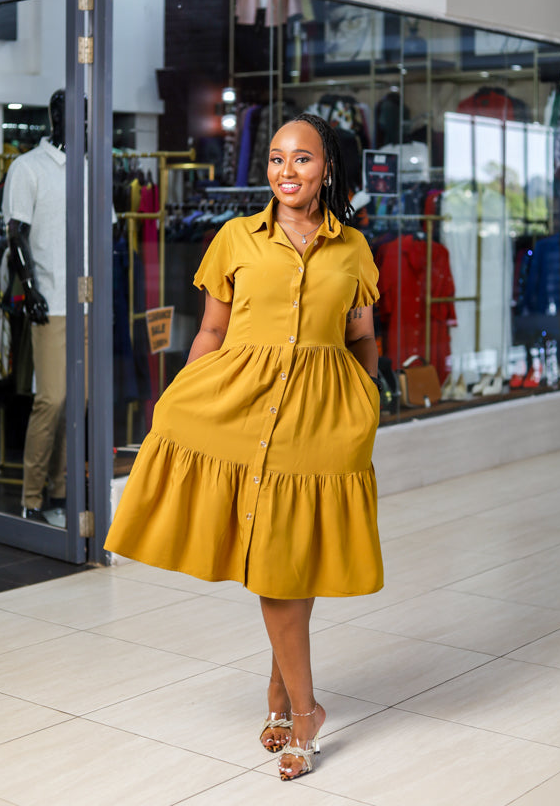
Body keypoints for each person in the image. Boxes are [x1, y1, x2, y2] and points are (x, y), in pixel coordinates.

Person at [105, 112, 383, 780]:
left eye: (303, 160)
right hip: (244, 404)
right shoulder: (234, 237)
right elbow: (211, 332)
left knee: (292, 559)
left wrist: (367, 407)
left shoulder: (353, 250)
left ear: (329, 170)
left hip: (321, 420)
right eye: (276, 159)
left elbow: (362, 337)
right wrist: (177, 398)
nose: (286, 172)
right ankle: (304, 709)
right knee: (275, 566)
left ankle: (284, 696)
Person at [3, 90, 68, 527]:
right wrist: (31, 290)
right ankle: (31, 496)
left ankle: (62, 491)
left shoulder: (89, 166)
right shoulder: (27, 168)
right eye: (70, 113)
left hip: (88, 302)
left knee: (77, 403)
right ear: (54, 116)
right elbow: (15, 237)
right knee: (52, 399)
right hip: (53, 302)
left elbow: (105, 235)